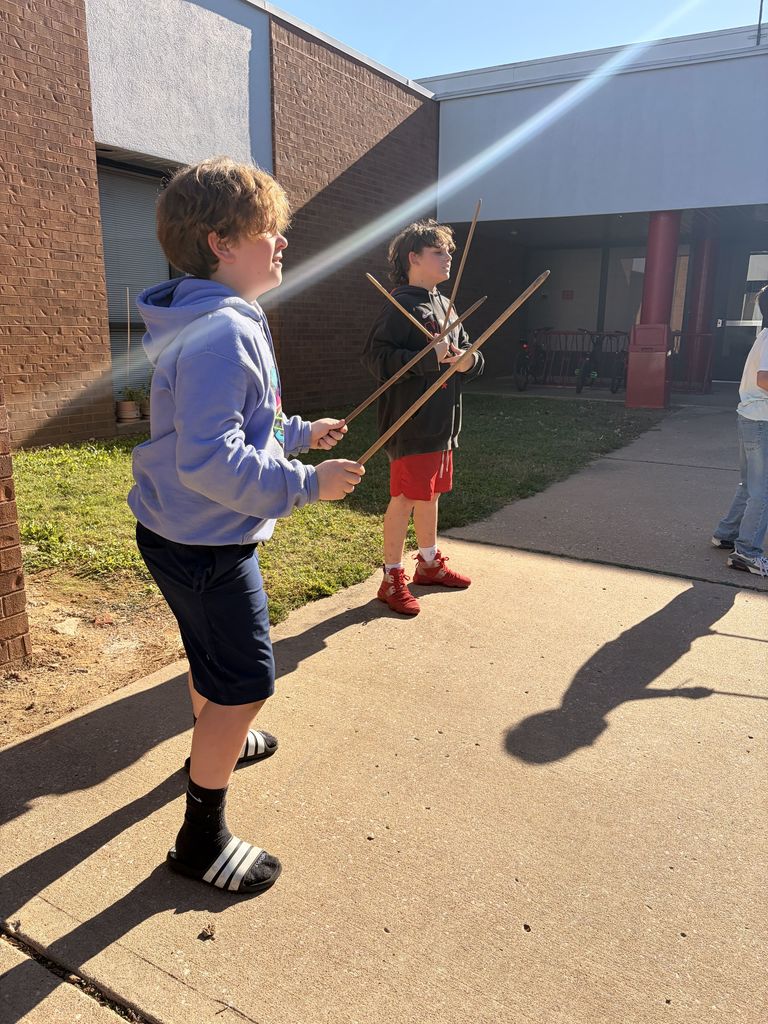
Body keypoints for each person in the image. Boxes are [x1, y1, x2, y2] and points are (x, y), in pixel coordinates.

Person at [129, 157, 365, 894]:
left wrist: (296, 433)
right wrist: (305, 485)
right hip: (208, 541)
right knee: (246, 684)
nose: (283, 245)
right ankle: (202, 840)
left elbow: (233, 422)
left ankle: (215, 741)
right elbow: (209, 458)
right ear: (222, 241)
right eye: (271, 233)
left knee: (214, 660)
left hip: (180, 532)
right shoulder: (222, 330)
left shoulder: (205, 314)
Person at [361, 219, 484, 616]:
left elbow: (472, 354)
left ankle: (429, 564)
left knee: (430, 494)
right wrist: (425, 358)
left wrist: (467, 361)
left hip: (443, 421)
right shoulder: (400, 304)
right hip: (410, 422)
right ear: (413, 258)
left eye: (449, 251)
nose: (449, 257)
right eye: (439, 251)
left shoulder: (445, 305)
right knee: (405, 497)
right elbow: (376, 360)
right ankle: (391, 576)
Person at [712, 284, 768, 576]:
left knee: (749, 485)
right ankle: (747, 552)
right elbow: (764, 379)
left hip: (750, 417)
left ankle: (726, 533)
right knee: (763, 490)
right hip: (762, 420)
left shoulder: (763, 335)